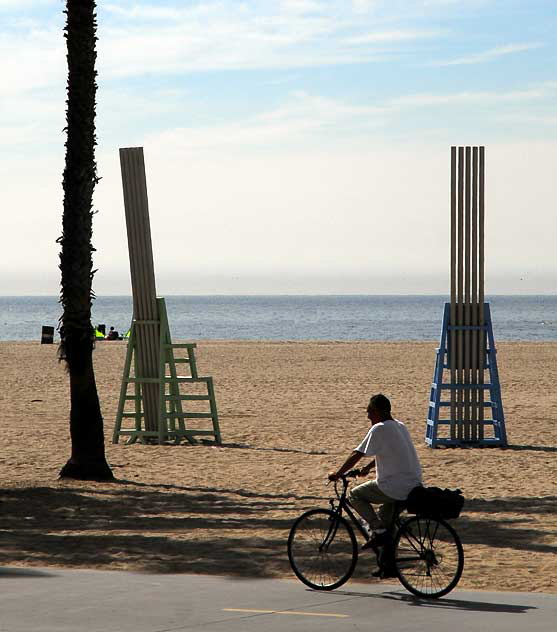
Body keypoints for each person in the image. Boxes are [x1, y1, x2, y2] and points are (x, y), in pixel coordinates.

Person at [328, 393, 422, 554]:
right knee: (385, 519)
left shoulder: (379, 428)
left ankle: (378, 532)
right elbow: (389, 452)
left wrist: (338, 473)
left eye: (370, 411)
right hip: (413, 484)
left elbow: (356, 454)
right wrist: (368, 468)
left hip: (395, 487)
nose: (368, 416)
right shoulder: (400, 426)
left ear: (378, 412)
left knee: (355, 495)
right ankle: (388, 564)